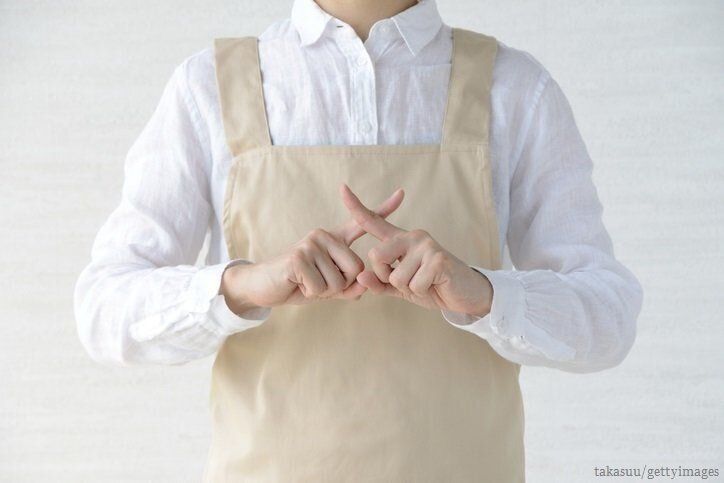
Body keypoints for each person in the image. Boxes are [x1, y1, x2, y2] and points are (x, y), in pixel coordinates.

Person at [74, 0, 644, 480]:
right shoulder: (209, 87)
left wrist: (485, 295)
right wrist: (241, 286)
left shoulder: (514, 89)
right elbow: (103, 309)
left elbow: (609, 317)